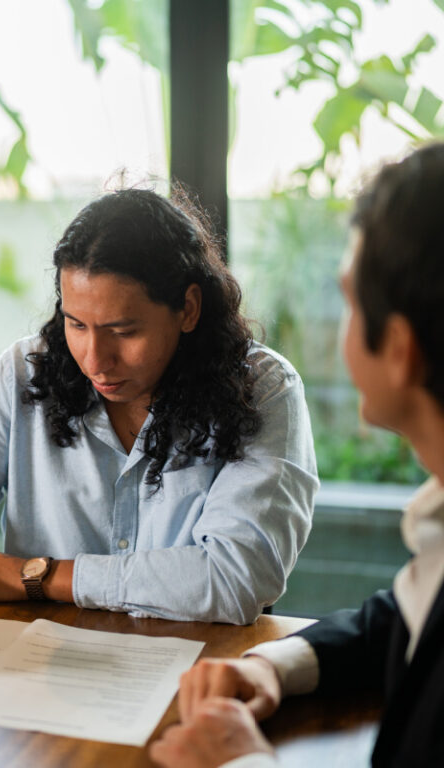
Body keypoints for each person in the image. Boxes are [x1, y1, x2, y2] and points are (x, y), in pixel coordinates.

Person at [0, 187, 318, 676]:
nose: (95, 360)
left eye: (124, 331)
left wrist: (40, 576)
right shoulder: (25, 374)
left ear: (189, 309)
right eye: (76, 324)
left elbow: (234, 577)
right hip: (39, 677)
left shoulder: (262, 389)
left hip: (197, 679)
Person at [149, 142, 444, 768]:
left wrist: (241, 761)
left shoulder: (262, 384)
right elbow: (408, 618)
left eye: (348, 300)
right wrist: (276, 666)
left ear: (399, 346)